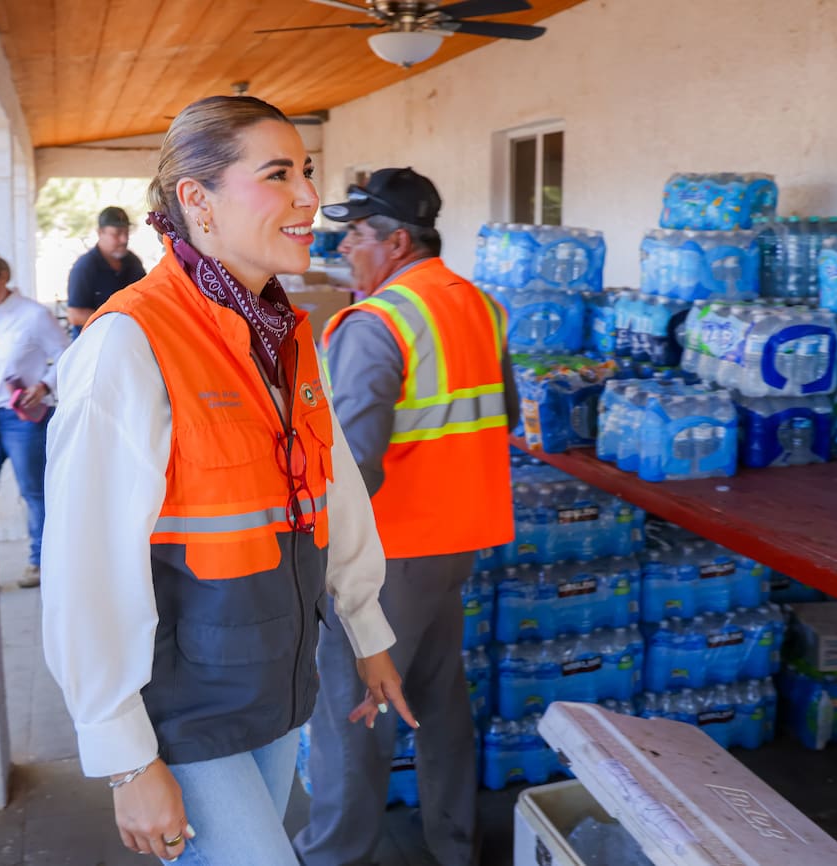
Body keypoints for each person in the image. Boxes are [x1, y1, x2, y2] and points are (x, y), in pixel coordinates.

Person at [41, 95, 414, 866]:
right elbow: (85, 572)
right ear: (196, 201)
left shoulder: (283, 336)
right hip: (181, 710)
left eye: (305, 172)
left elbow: (332, 490)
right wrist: (127, 760)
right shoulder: (128, 345)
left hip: (274, 692)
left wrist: (367, 628)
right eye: (277, 174)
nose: (310, 197)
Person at [295, 167, 518, 866]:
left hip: (390, 554)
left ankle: (333, 854)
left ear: (394, 242)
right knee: (439, 698)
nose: (345, 252)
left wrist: (312, 546)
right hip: (461, 540)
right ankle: (456, 845)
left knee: (354, 710)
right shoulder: (480, 306)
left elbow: (354, 463)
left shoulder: (378, 323)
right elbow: (503, 414)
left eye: (355, 236)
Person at [0, 249, 67, 589]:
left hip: (21, 418)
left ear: (3, 278)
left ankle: (39, 562)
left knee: (33, 492)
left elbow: (65, 355)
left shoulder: (32, 315)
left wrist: (44, 386)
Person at [65, 206, 147, 339]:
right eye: (117, 233)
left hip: (129, 341)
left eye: (126, 233)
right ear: (100, 232)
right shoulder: (85, 267)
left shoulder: (133, 262)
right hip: (93, 346)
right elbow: (75, 315)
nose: (124, 239)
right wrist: (119, 320)